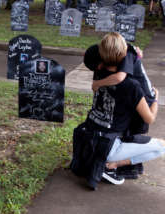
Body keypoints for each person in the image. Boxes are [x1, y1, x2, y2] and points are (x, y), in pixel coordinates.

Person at [71, 33, 165, 190]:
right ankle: (111, 166)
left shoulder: (98, 74)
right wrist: (156, 99)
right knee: (162, 146)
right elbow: (149, 119)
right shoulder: (132, 86)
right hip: (107, 146)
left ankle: (109, 163)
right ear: (124, 55)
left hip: (87, 137)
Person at [84, 37, 156, 178]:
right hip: (134, 91)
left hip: (146, 95)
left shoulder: (126, 55)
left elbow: (119, 78)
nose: (99, 70)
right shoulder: (114, 53)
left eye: (97, 66)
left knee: (137, 127)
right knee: (127, 125)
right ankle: (119, 160)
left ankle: (128, 166)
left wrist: (97, 84)